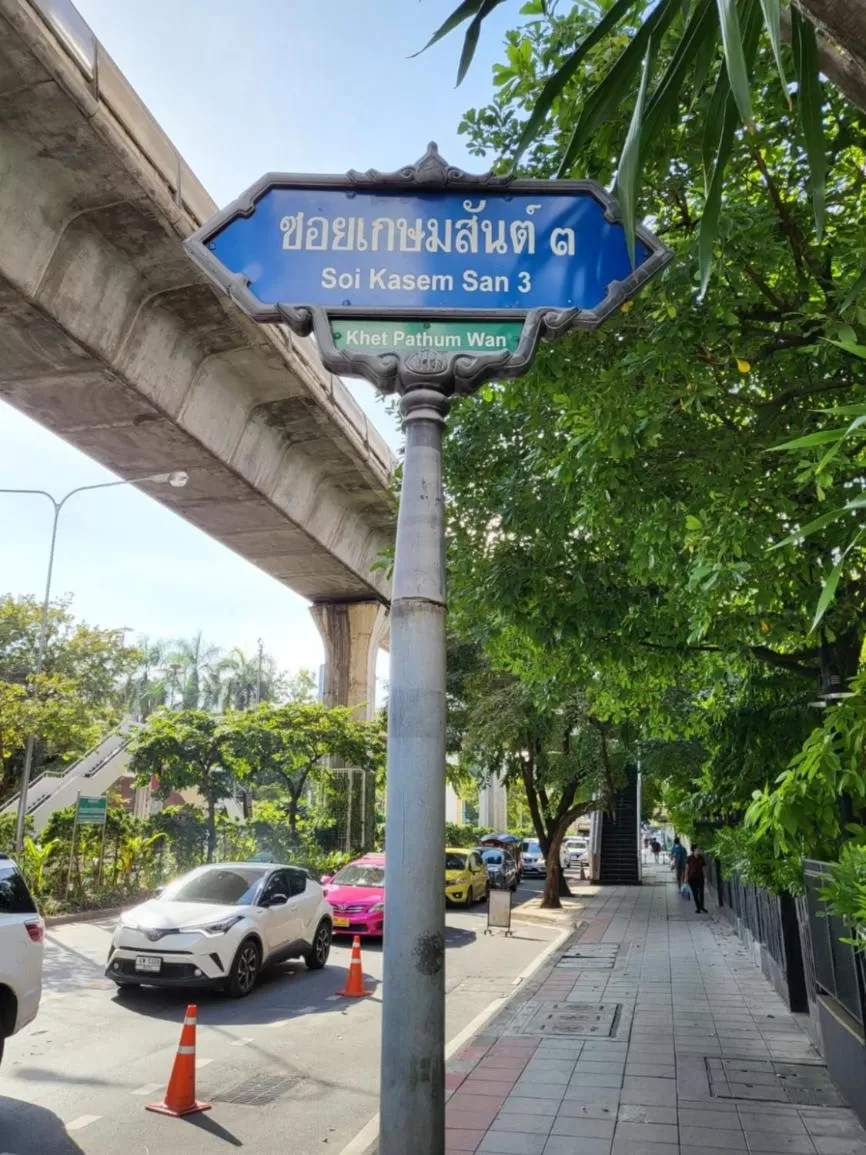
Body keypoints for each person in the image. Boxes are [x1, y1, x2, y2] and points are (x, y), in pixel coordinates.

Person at [686, 844, 708, 913]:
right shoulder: (689, 858)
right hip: (691, 879)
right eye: (697, 849)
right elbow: (687, 868)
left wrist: (705, 877)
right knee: (695, 893)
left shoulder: (701, 858)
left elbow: (703, 868)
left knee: (701, 893)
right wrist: (685, 878)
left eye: (699, 849)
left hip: (700, 877)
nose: (698, 850)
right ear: (694, 850)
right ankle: (698, 908)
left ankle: (702, 907)